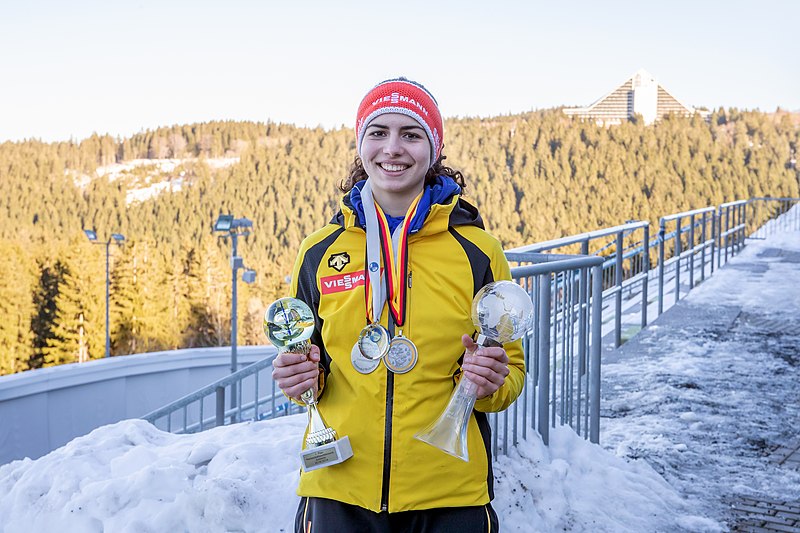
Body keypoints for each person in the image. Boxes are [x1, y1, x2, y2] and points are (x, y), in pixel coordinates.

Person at [272, 77, 525, 533]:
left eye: (411, 134)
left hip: (449, 493)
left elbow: (512, 374)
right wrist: (299, 377)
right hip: (338, 490)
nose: (393, 148)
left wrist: (489, 382)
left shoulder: (478, 250)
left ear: (434, 149)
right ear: (360, 144)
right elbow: (308, 363)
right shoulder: (319, 252)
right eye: (378, 132)